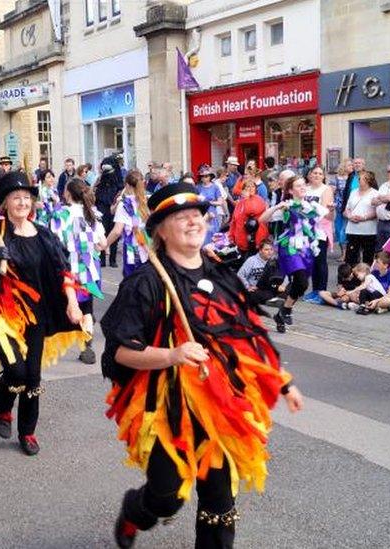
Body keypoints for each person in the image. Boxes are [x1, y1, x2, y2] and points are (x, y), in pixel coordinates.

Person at [101, 182, 303, 549]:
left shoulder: (222, 275)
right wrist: (172, 355)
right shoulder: (146, 283)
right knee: (166, 497)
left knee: (220, 503)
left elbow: (248, 333)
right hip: (167, 408)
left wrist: (283, 381)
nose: (193, 222)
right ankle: (136, 510)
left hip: (221, 406)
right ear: (161, 230)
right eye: (182, 217)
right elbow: (120, 352)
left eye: (197, 215)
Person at [0, 171, 86, 456]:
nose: (22, 202)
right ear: (5, 203)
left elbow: (63, 272)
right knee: (16, 371)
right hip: (1, 314)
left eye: (26, 198)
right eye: (15, 197)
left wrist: (72, 302)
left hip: (37, 315)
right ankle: (5, 408)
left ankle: (27, 432)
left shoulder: (45, 234)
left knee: (32, 378)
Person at [261, 175, 328, 330]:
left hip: (306, 249)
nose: (303, 187)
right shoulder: (287, 206)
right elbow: (262, 219)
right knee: (301, 281)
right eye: (298, 186)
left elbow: (327, 219)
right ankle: (286, 310)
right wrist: (277, 207)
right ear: (290, 190)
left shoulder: (311, 206)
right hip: (289, 248)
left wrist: (331, 209)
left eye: (303, 184)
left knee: (302, 285)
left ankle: (283, 311)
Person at [51, 178, 106, 364]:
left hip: (69, 269)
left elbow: (55, 242)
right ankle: (86, 344)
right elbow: (102, 244)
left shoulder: (61, 215)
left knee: (70, 306)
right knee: (87, 306)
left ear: (68, 194)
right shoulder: (93, 214)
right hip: (90, 269)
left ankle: (74, 340)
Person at [105, 170, 149, 277]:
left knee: (132, 281)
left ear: (127, 185)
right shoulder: (147, 200)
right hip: (148, 245)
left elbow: (117, 231)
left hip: (132, 247)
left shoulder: (125, 204)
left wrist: (104, 244)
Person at [301, 165, 334, 303]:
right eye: (315, 173)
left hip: (320, 231)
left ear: (323, 176)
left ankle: (322, 292)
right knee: (311, 262)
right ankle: (314, 290)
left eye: (320, 173)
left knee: (320, 261)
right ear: (309, 175)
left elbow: (324, 212)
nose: (317, 175)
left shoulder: (326, 189)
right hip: (306, 230)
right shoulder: (305, 188)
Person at [343, 171, 379, 266]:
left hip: (368, 230)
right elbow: (347, 208)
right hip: (352, 229)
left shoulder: (375, 193)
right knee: (351, 258)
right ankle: (352, 278)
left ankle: (367, 278)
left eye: (361, 179)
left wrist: (364, 217)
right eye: (359, 178)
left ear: (368, 181)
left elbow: (377, 211)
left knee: (368, 257)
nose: (358, 180)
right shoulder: (353, 192)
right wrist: (349, 216)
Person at [229, 178, 269, 256]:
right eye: (247, 187)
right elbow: (234, 220)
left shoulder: (259, 199)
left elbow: (252, 210)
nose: (250, 189)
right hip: (241, 240)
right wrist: (231, 235)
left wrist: (247, 199)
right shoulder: (240, 203)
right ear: (243, 189)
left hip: (254, 241)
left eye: (252, 186)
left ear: (255, 189)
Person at [95, 162, 123, 268]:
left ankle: (112, 259)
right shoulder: (101, 179)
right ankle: (102, 258)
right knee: (103, 232)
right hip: (102, 208)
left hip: (113, 207)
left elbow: (120, 190)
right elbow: (96, 192)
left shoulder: (117, 181)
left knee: (114, 232)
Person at [197, 165, 224, 244]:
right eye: (202, 176)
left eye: (206, 176)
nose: (204, 178)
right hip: (202, 213)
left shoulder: (215, 187)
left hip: (212, 214)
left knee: (213, 237)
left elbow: (220, 202)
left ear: (210, 177)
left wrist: (209, 202)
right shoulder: (198, 187)